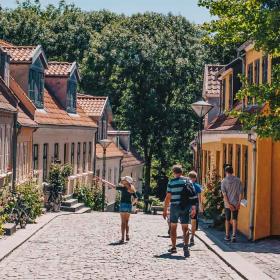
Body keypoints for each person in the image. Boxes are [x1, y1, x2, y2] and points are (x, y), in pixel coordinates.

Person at [163, 165, 196, 257]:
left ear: (174, 172)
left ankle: (174, 247)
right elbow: (193, 195)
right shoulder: (188, 180)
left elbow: (168, 197)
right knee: (185, 227)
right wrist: (193, 208)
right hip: (185, 206)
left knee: (173, 227)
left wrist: (165, 210)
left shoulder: (171, 182)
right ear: (182, 172)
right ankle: (186, 246)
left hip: (174, 206)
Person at [221, 165, 243, 242]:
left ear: (226, 172)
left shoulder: (223, 181)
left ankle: (227, 235)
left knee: (227, 219)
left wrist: (228, 204)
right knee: (235, 219)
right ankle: (234, 235)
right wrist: (239, 203)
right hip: (236, 203)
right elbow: (240, 193)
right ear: (232, 171)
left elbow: (224, 194)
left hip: (227, 204)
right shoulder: (238, 180)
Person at [116, 176, 138, 244]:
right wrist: (132, 204)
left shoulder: (123, 188)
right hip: (128, 206)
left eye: (124, 180)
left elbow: (113, 186)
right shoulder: (132, 189)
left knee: (123, 222)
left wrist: (103, 181)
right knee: (127, 222)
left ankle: (122, 238)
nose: (123, 180)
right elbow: (136, 198)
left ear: (127, 181)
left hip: (123, 205)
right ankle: (127, 235)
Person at [188, 171, 202, 246]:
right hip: (195, 205)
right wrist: (200, 206)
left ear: (189, 177)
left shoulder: (186, 185)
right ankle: (192, 237)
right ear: (195, 178)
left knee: (186, 221)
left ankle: (186, 235)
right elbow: (199, 198)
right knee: (194, 221)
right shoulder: (197, 186)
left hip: (187, 205)